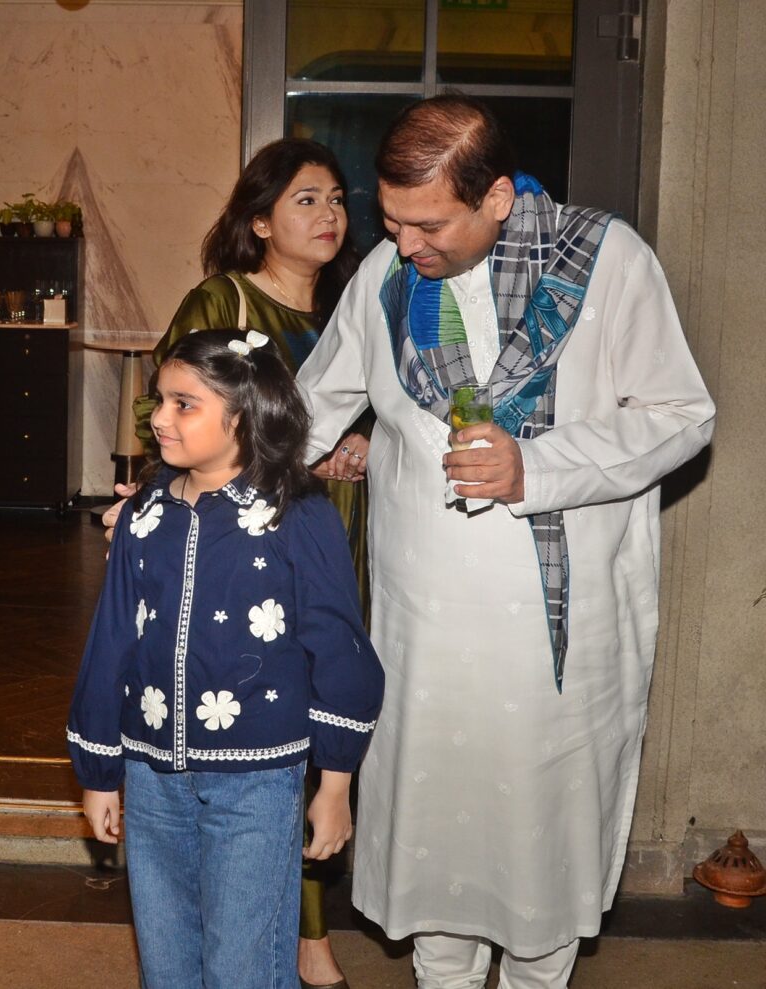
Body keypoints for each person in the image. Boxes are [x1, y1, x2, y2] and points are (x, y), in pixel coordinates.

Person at [296, 95, 716, 989]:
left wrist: (539, 467)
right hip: (427, 637)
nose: (404, 245)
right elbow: (309, 407)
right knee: (439, 857)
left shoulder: (608, 263)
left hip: (556, 647)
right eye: (393, 221)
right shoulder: (385, 278)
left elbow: (682, 417)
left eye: (427, 223)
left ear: (495, 198)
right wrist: (199, 479)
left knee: (540, 865)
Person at [116, 137, 371, 988]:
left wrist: (363, 440)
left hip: (328, 526)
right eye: (306, 199)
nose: (329, 213)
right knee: (247, 727)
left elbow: (382, 406)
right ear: (259, 220)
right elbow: (176, 409)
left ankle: (290, 928)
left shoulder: (352, 305)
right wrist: (147, 508)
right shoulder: (223, 300)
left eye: (337, 197)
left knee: (309, 700)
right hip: (231, 540)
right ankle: (302, 938)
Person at [69, 329, 384, 989]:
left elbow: (340, 650)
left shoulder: (298, 515)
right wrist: (100, 769)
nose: (158, 416)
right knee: (167, 959)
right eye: (161, 399)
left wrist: (334, 784)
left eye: (185, 403)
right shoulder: (142, 517)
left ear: (245, 415)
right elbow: (110, 643)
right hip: (151, 776)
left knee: (247, 963)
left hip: (259, 780)